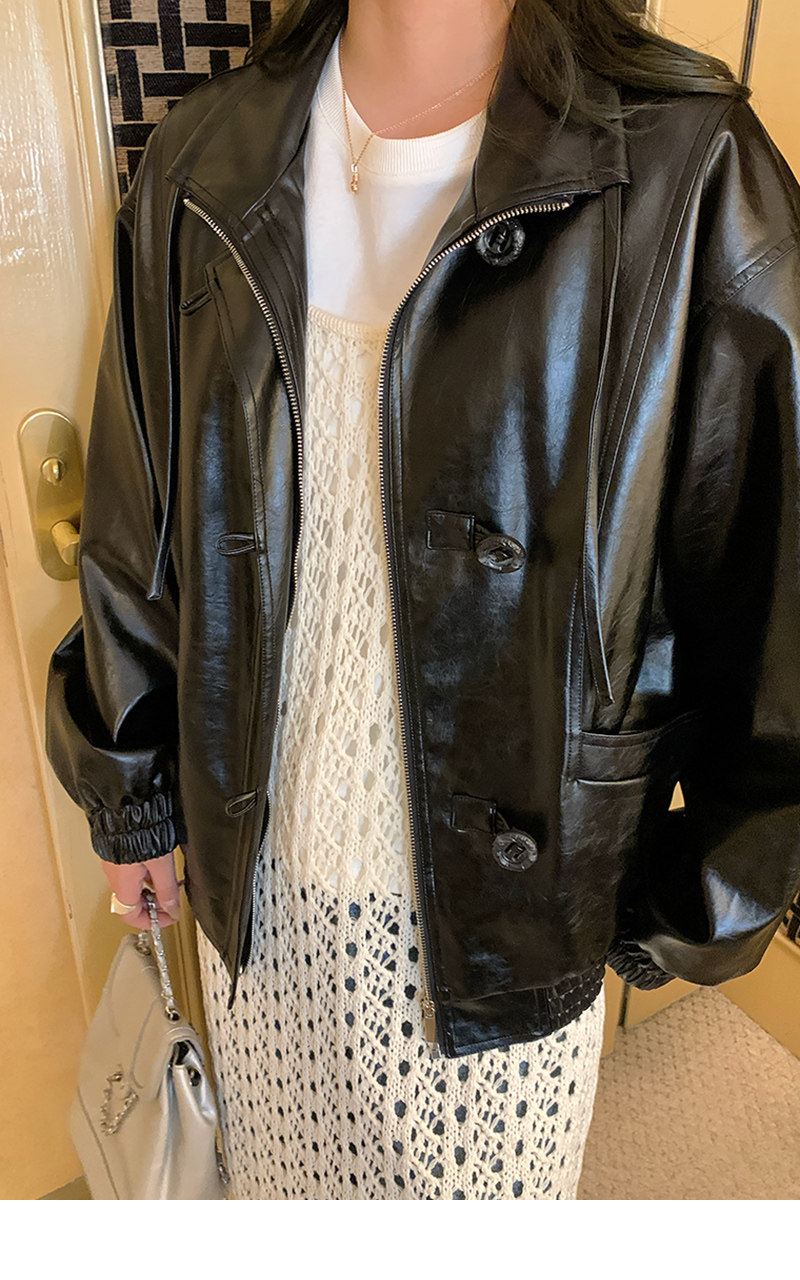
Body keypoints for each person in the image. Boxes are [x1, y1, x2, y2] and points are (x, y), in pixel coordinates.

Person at [45, 0, 800, 1200]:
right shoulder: (207, 154)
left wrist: (695, 890)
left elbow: (772, 582)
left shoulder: (684, 165)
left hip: (506, 917)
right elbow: (143, 512)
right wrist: (128, 787)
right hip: (260, 894)